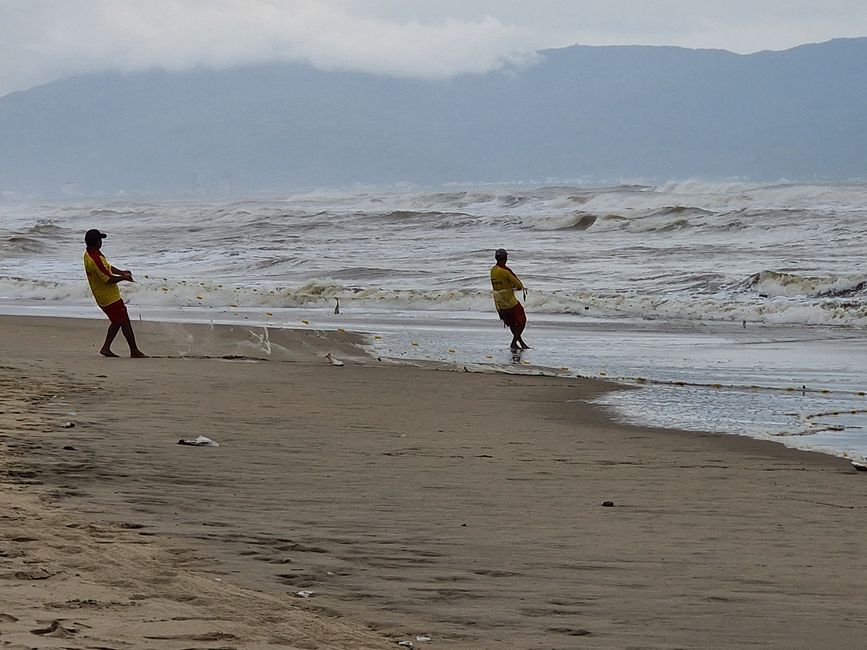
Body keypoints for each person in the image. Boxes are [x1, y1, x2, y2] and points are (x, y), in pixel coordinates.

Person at [83, 229, 147, 358]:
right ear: (97, 242)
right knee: (120, 321)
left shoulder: (90, 253)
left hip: (105, 296)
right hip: (108, 297)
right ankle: (118, 349)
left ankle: (129, 350)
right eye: (100, 239)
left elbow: (107, 267)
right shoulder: (95, 258)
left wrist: (121, 272)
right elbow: (108, 279)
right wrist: (124, 278)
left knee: (121, 320)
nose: (102, 242)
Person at [490, 248, 529, 350]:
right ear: (506, 258)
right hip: (509, 301)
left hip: (498, 302)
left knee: (512, 322)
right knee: (522, 320)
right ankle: (513, 343)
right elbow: (519, 285)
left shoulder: (493, 270)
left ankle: (520, 343)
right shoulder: (506, 272)